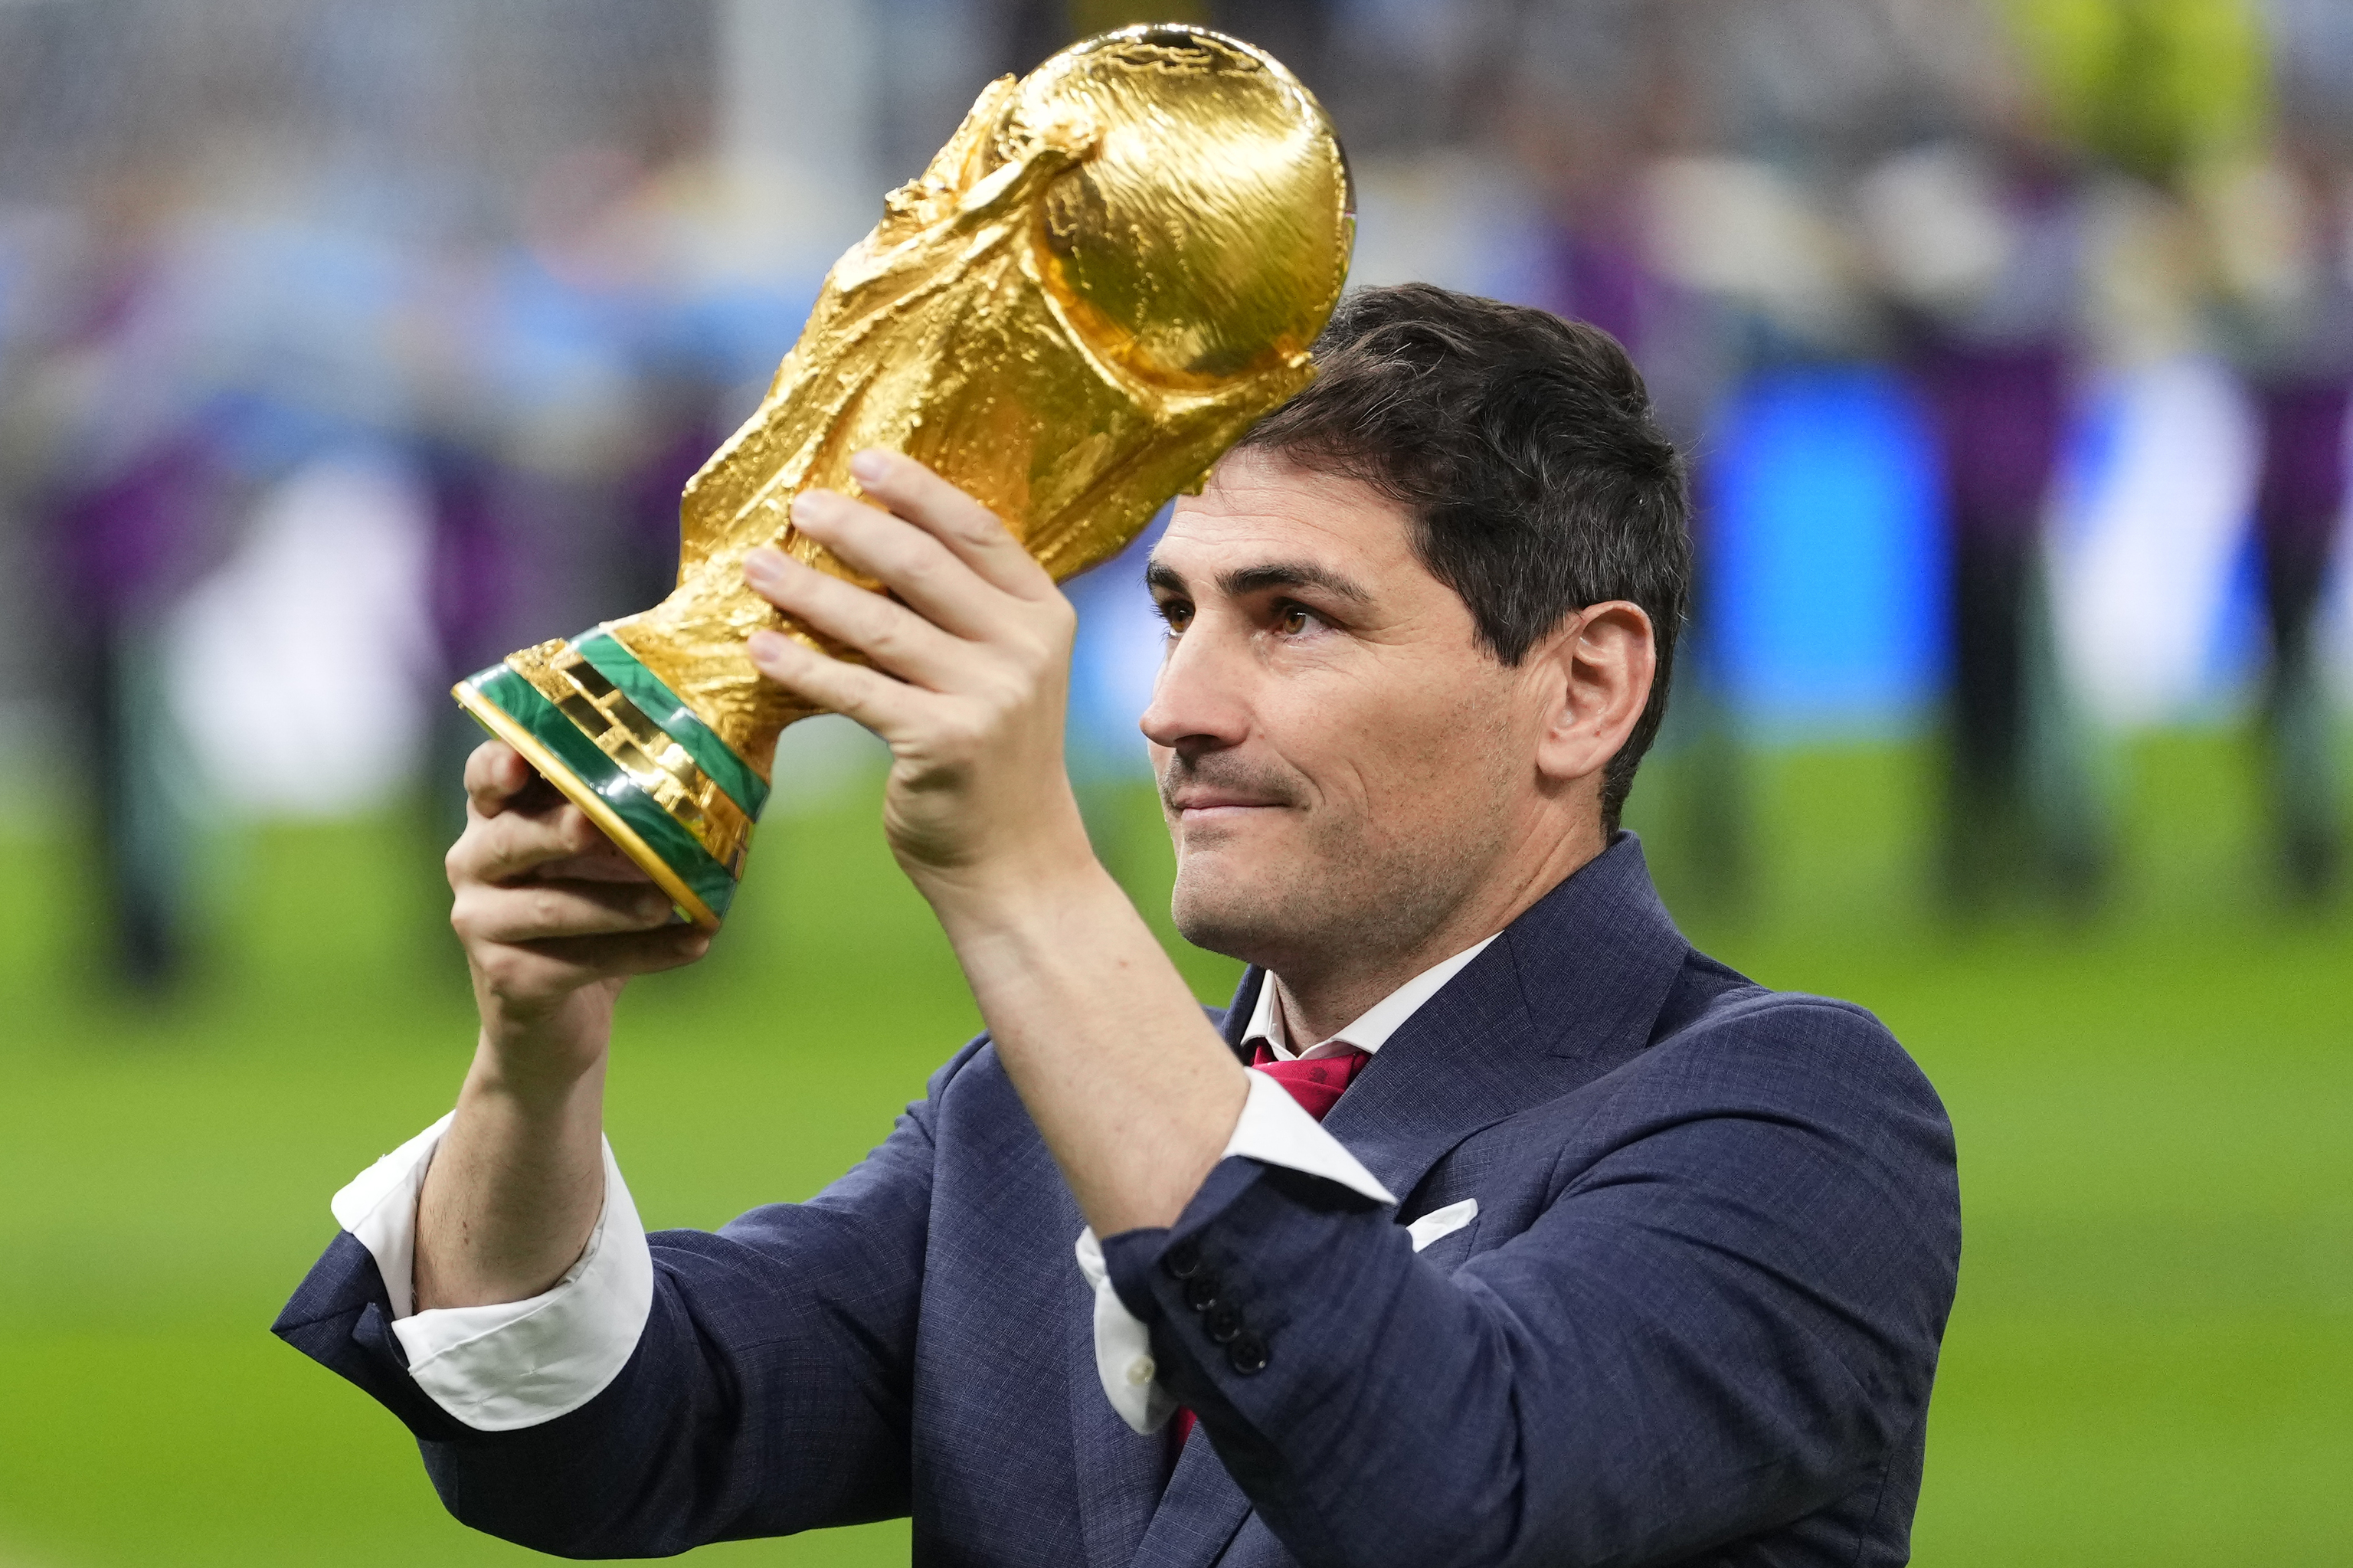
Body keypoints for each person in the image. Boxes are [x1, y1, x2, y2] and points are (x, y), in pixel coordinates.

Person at [277, 284, 1959, 1567]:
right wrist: (538, 1050)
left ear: (1583, 686)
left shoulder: (1791, 1115)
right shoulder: (1019, 1121)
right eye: (1172, 609)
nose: (1174, 709)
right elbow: (598, 1439)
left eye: (1292, 619)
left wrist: (1025, 878)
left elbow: (1442, 1478)